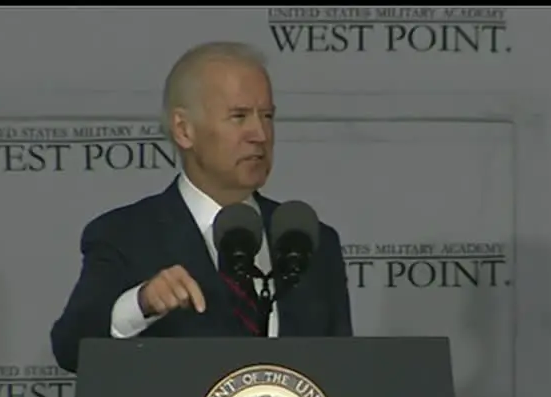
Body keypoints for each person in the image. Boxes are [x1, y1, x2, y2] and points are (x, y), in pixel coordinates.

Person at [49, 41, 353, 374]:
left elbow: (340, 375)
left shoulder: (310, 241)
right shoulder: (125, 235)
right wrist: (141, 304)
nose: (260, 134)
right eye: (239, 117)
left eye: (267, 116)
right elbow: (71, 348)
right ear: (184, 130)